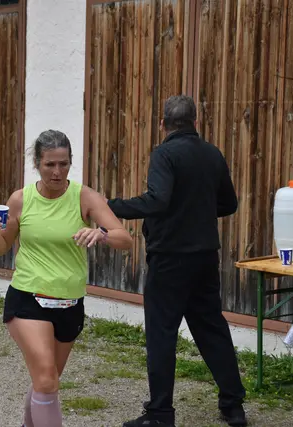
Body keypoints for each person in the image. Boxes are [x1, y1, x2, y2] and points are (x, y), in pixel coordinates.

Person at [107, 95, 247, 427]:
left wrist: (111, 205)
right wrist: (197, 209)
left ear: (163, 124)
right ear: (196, 122)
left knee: (162, 333)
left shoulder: (164, 154)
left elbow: (157, 201)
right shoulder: (212, 153)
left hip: (170, 258)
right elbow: (229, 203)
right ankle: (233, 406)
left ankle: (160, 414)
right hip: (205, 257)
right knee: (211, 328)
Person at [0, 129, 133, 427]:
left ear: (70, 162)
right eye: (50, 164)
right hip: (28, 299)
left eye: (63, 164)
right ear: (37, 164)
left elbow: (125, 238)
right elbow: (1, 248)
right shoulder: (20, 200)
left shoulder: (84, 197)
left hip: (69, 303)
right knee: (46, 379)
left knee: (47, 381)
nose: (57, 172)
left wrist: (101, 234)